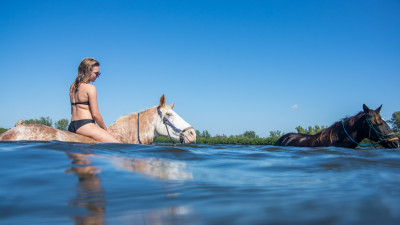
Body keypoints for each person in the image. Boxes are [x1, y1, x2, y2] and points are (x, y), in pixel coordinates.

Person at [68, 57, 120, 143]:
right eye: (96, 73)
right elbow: (95, 114)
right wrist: (105, 129)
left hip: (72, 125)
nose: (98, 76)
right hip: (85, 125)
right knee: (118, 146)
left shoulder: (72, 86)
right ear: (87, 71)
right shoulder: (90, 88)